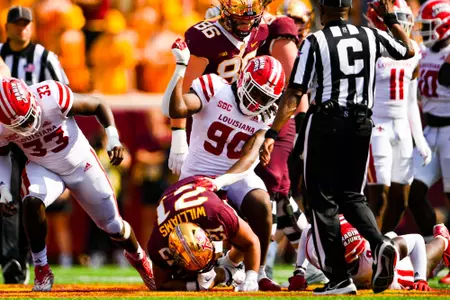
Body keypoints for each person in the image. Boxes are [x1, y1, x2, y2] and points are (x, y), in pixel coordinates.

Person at [260, 0, 416, 294]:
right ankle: (380, 242)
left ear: (322, 8)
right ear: (347, 9)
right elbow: (407, 50)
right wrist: (390, 18)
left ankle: (339, 278)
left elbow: (296, 90)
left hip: (327, 123)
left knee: (322, 201)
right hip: (361, 125)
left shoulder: (316, 41)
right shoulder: (369, 35)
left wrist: (273, 131)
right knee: (352, 197)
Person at [0, 78, 155, 291]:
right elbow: (2, 155)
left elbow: (98, 105)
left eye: (27, 118)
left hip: (80, 162)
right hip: (43, 167)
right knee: (31, 201)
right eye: (19, 125)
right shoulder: (2, 126)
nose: (27, 126)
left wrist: (112, 138)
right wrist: (2, 189)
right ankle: (42, 268)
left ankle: (139, 257)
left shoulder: (51, 95)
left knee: (114, 226)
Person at [162, 39, 284, 291]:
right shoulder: (214, 87)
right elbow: (177, 107)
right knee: (189, 260)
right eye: (256, 90)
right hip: (197, 174)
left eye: (265, 97)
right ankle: (225, 269)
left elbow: (250, 155)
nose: (257, 100)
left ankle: (258, 272)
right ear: (243, 78)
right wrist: (180, 67)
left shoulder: (266, 114)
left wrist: (221, 181)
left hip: (234, 174)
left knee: (262, 203)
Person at [148, 129, 267, 291]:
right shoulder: (159, 242)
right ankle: (223, 272)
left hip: (203, 191)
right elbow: (161, 285)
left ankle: (228, 265)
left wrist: (252, 277)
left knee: (241, 234)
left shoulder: (216, 214)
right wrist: (196, 284)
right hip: (175, 199)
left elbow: (251, 241)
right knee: (188, 275)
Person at [0, 5, 69, 284]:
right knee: (7, 197)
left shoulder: (45, 57)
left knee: (30, 197)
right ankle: (11, 260)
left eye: (26, 23)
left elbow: (64, 93)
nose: (21, 27)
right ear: (8, 27)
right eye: (16, 23)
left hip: (35, 137)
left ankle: (24, 256)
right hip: (5, 135)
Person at [364, 0, 431, 232]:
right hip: (376, 126)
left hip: (401, 126)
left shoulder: (413, 49)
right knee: (378, 197)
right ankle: (372, 252)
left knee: (401, 201)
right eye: (397, 19)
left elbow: (411, 101)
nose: (403, 25)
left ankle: (382, 243)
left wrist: (419, 139)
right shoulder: (370, 48)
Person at [405, 0, 450, 284]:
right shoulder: (426, 51)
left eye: (429, 25)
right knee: (414, 194)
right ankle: (434, 250)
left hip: (449, 131)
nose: (426, 31)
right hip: (428, 131)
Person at [289, 215, 450, 291]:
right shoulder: (318, 244)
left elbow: (416, 240)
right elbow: (307, 232)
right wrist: (299, 272)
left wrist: (420, 278)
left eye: (350, 262)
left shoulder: (369, 255)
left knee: (424, 268)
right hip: (375, 257)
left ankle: (443, 239)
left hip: (386, 268)